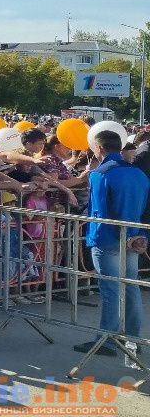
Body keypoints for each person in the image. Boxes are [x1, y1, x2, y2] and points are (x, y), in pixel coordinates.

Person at [74, 129, 150, 363]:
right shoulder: (139, 174)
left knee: (111, 291)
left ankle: (107, 340)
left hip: (107, 238)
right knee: (131, 288)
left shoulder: (100, 174)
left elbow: (101, 212)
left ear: (99, 149)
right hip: (134, 238)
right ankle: (132, 340)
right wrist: (138, 235)